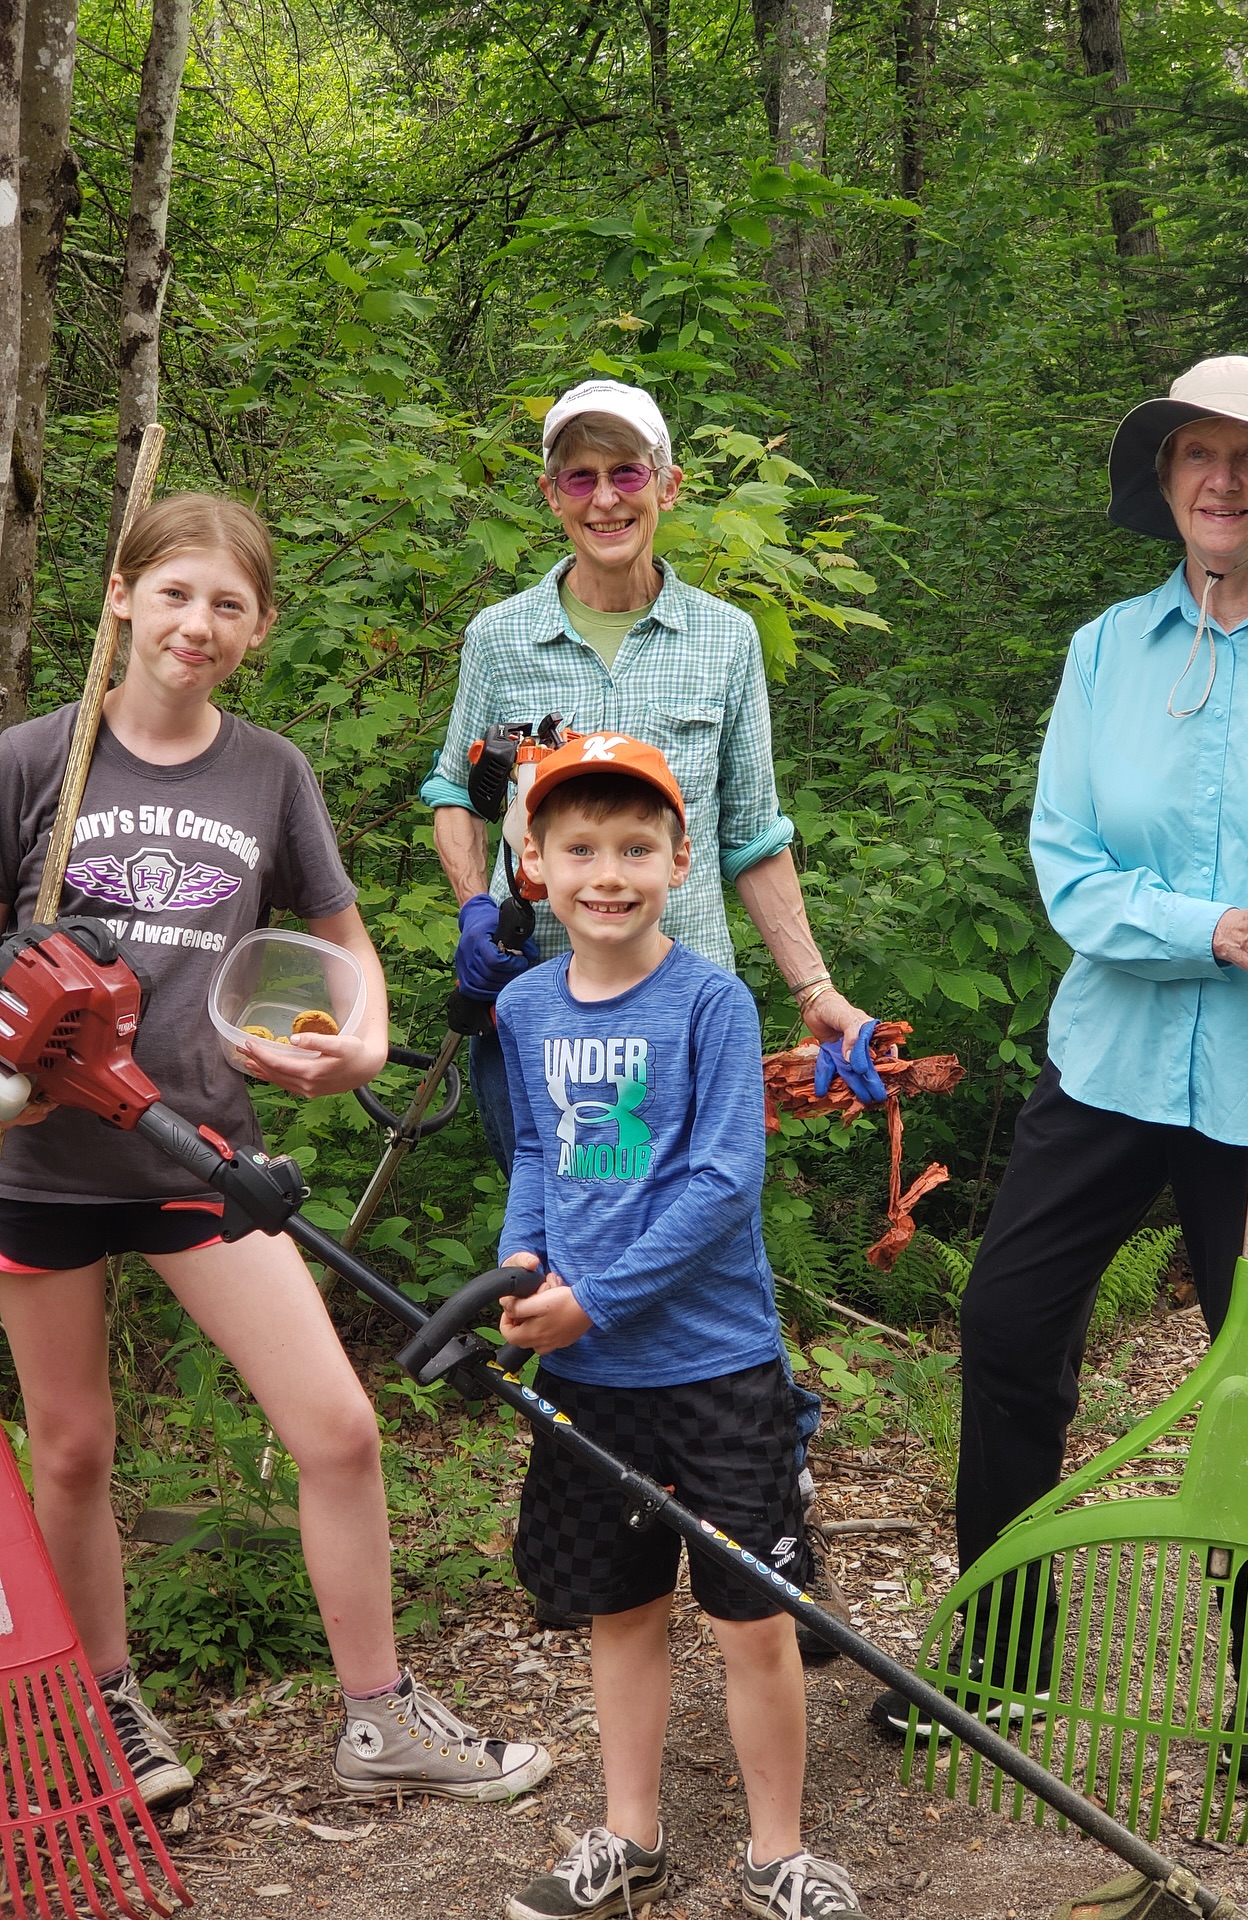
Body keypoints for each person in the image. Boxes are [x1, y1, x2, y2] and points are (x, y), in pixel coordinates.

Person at [868, 355, 1248, 1768]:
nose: (1224, 479)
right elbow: (1067, 869)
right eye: (1199, 452)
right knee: (1006, 1332)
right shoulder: (1106, 651)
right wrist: (1216, 927)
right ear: (1167, 477)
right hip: (1113, 1067)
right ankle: (999, 1666)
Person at [0, 494, 550, 1811]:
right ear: (122, 597)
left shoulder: (269, 771)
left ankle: (382, 1721)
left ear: (258, 628)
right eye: (175, 593)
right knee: (71, 1450)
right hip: (37, 1173)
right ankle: (109, 1712)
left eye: (228, 604)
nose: (198, 624)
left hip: (203, 1158)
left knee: (340, 1428)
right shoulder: (31, 761)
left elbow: (346, 943)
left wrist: (356, 1048)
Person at [423, 377, 868, 1647]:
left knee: (709, 1243)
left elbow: (754, 834)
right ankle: (614, 1539)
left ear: (668, 488)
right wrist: (479, 912)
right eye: (580, 476)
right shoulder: (500, 638)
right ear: (552, 495)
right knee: (566, 1229)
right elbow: (456, 788)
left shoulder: (724, 641)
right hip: (542, 1014)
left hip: (686, 1024)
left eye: (629, 475)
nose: (605, 498)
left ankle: (755, 1525)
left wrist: (816, 990)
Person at [490, 730, 867, 1920]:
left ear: (682, 858)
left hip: (713, 1368)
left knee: (753, 1618)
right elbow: (543, 1152)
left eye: (637, 847)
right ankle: (629, 1834)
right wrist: (519, 1262)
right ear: (536, 866)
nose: (610, 871)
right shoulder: (525, 1004)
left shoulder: (711, 1000)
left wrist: (594, 1296)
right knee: (621, 1606)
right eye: (581, 847)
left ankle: (777, 1854)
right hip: (588, 1377)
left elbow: (721, 1182)